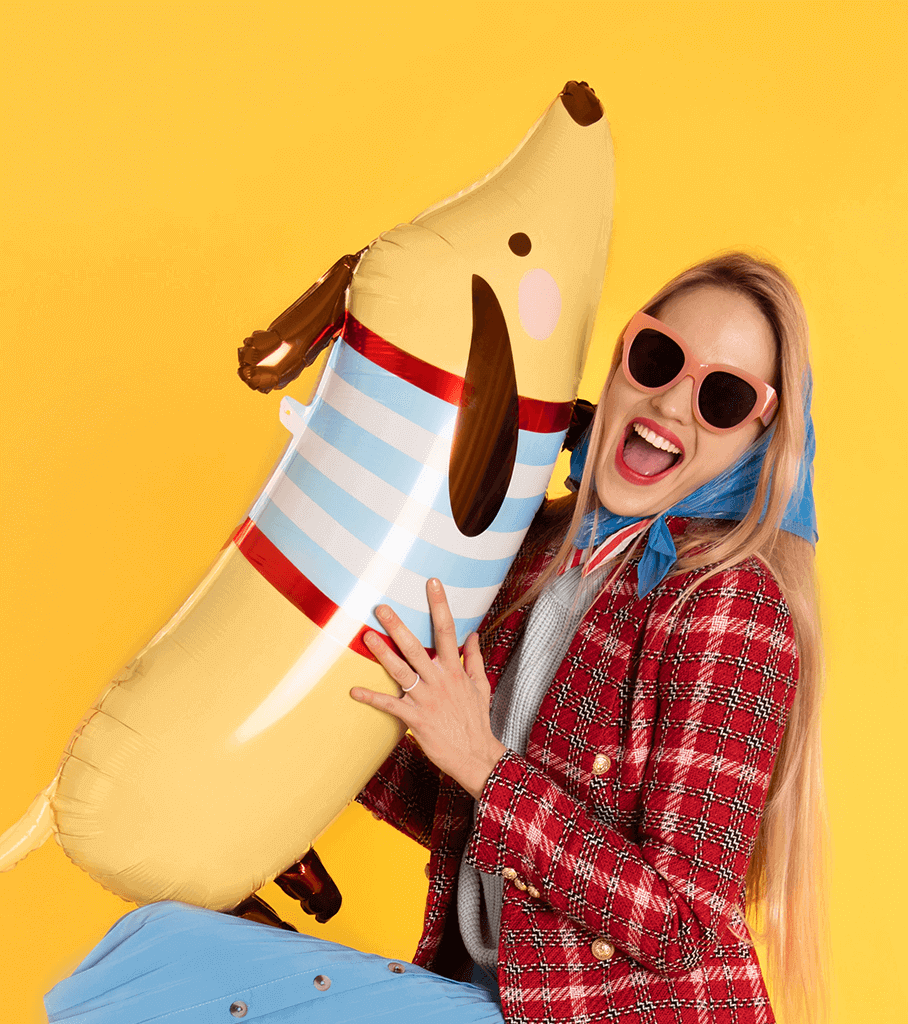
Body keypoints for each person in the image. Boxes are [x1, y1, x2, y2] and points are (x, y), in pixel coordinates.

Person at [44, 252, 828, 1024]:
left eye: (722, 397)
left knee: (150, 975)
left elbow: (682, 925)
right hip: (484, 997)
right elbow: (456, 793)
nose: (673, 405)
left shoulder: (730, 603)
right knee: (158, 952)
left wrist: (488, 768)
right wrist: (279, 788)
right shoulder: (543, 554)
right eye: (658, 358)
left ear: (759, 441)